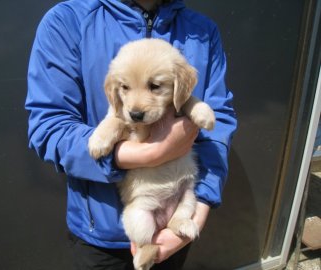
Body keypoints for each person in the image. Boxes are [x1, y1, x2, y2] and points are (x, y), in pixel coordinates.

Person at [25, 0, 237, 269]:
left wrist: (201, 203)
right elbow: (49, 127)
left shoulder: (203, 31)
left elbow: (219, 122)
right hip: (99, 237)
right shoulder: (68, 20)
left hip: (178, 227)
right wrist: (149, 154)